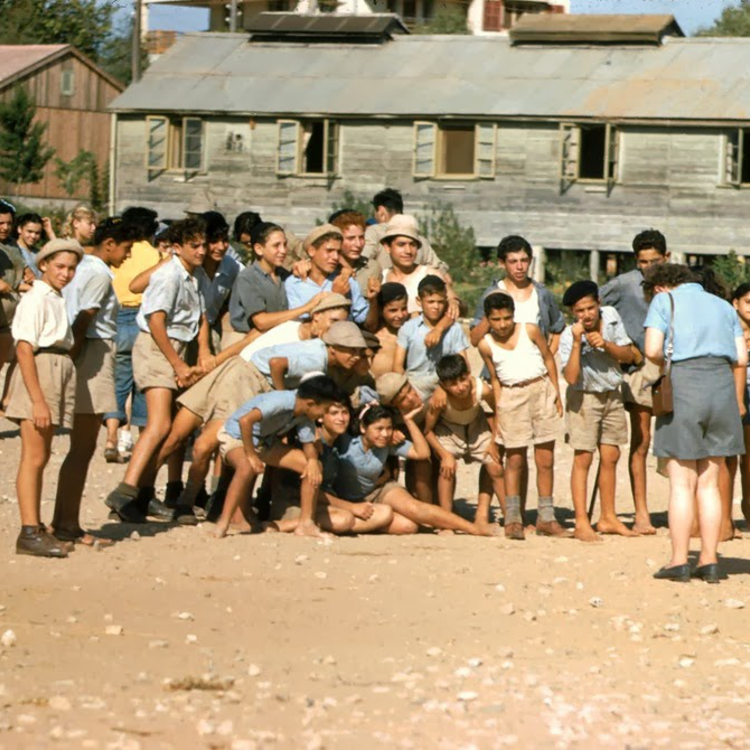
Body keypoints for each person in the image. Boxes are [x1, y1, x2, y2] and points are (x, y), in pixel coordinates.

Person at [644, 264, 746, 584]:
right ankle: (710, 560)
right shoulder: (723, 305)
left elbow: (651, 350)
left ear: (665, 285)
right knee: (709, 481)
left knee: (681, 482)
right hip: (722, 388)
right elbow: (741, 358)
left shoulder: (665, 302)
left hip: (685, 386)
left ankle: (678, 560)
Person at [105, 217, 211, 524]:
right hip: (157, 349)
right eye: (195, 246)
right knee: (159, 424)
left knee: (171, 426)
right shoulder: (169, 275)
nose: (201, 251)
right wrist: (176, 364)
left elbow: (201, 316)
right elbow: (155, 321)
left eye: (203, 244)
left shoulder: (194, 275)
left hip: (178, 348)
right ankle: (126, 491)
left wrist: (202, 351)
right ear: (177, 248)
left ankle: (141, 493)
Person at [52, 218, 141, 547]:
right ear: (110, 244)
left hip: (86, 351)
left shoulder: (84, 268)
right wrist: (72, 363)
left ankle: (65, 520)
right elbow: (84, 319)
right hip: (91, 353)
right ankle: (67, 524)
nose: (127, 256)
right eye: (126, 248)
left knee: (81, 448)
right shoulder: (100, 273)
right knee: (83, 447)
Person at [5, 239, 83, 557]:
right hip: (41, 369)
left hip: (56, 367)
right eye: (59, 266)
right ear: (44, 265)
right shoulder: (36, 298)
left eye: (71, 268)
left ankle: (36, 527)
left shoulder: (55, 297)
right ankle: (28, 531)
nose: (65, 273)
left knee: (43, 455)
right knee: (34, 456)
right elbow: (23, 347)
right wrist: (38, 400)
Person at [477, 293, 567, 540]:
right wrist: (499, 411)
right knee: (514, 459)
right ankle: (513, 517)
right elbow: (495, 379)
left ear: (513, 315)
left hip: (540, 390)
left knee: (545, 458)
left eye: (507, 318)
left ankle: (546, 517)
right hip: (510, 397)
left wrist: (556, 393)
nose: (503, 324)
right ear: (488, 319)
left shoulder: (530, 330)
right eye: (496, 319)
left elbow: (549, 358)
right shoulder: (485, 344)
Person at [333, 403, 493, 536]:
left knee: (414, 510)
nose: (385, 434)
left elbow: (422, 453)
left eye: (389, 428)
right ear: (363, 428)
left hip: (380, 490)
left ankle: (472, 528)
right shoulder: (345, 444)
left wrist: (409, 421)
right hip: (349, 500)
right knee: (406, 526)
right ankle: (382, 515)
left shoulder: (386, 443)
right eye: (379, 428)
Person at [601, 229, 670, 535]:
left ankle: (684, 510)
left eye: (654, 260)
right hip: (639, 367)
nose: (648, 267)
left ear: (666, 257)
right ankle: (641, 512)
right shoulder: (623, 284)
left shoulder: (679, 284)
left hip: (674, 367)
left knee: (679, 444)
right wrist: (617, 343)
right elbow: (591, 306)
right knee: (640, 442)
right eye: (642, 261)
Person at [214, 375, 341, 539]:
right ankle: (223, 522)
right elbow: (246, 421)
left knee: (311, 466)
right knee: (245, 467)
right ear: (311, 403)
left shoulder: (305, 413)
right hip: (237, 437)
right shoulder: (281, 401)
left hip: (264, 442)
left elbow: (308, 443)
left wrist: (312, 461)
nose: (323, 415)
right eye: (324, 410)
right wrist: (251, 455)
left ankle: (306, 523)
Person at [559, 280, 637, 543]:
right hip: (584, 398)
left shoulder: (612, 318)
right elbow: (570, 378)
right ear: (573, 312)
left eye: (590, 308)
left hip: (612, 393)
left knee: (611, 454)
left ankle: (608, 516)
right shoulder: (569, 335)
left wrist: (605, 345)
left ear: (599, 304)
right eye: (580, 311)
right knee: (583, 457)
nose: (586, 315)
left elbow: (628, 355)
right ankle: (581, 521)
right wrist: (579, 343)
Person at [266, 396, 395, 535]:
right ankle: (283, 525)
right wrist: (352, 507)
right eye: (334, 413)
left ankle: (329, 524)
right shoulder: (313, 443)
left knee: (385, 512)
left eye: (344, 413)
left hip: (327, 505)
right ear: (320, 417)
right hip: (297, 504)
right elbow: (307, 489)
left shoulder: (339, 442)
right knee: (344, 519)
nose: (341, 418)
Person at [103, 207, 161, 463]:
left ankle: (111, 438)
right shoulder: (153, 254)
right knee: (142, 383)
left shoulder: (119, 252)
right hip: (142, 317)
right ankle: (141, 440)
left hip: (116, 316)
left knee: (119, 380)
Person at [424, 354, 504, 536]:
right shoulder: (439, 400)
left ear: (468, 374)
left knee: (495, 466)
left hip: (476, 425)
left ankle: (508, 517)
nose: (460, 387)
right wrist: (444, 454)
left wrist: (493, 441)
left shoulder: (481, 389)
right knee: (447, 468)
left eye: (463, 380)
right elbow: (427, 431)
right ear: (443, 385)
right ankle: (446, 521)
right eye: (453, 384)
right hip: (449, 430)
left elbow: (496, 410)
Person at [226, 222, 325, 347]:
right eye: (276, 246)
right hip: (246, 338)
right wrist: (306, 308)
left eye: (284, 245)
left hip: (276, 335)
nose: (283, 251)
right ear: (259, 249)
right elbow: (261, 321)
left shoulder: (285, 275)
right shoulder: (248, 278)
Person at [470, 235, 565, 353]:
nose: (519, 267)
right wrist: (490, 315)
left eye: (524, 260)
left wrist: (546, 361)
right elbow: (474, 340)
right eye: (513, 261)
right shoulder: (490, 294)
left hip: (534, 368)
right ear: (502, 263)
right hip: (500, 368)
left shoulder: (542, 295)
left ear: (530, 260)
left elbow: (558, 329)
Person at [394, 275, 469, 400]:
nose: (436, 307)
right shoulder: (408, 328)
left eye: (440, 302)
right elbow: (397, 366)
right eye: (431, 302)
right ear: (419, 301)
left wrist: (445, 388)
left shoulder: (454, 329)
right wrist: (408, 392)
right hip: (414, 383)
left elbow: (464, 364)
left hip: (445, 383)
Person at [285, 224, 371, 326]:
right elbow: (300, 324)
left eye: (338, 252)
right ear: (312, 251)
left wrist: (374, 301)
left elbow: (365, 320)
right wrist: (336, 296)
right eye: (329, 251)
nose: (335, 257)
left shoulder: (346, 280)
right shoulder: (295, 283)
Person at [379, 216, 457, 316]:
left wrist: (453, 302)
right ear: (387, 247)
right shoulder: (382, 277)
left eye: (412, 244)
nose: (408, 251)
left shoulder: (429, 274)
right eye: (401, 244)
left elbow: (454, 301)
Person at [364, 189, 447, 272]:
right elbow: (440, 269)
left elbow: (362, 261)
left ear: (381, 212)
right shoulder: (420, 240)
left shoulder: (374, 232)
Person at [0, 201, 28, 373]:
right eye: (1, 223)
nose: (5, 227)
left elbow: (24, 268)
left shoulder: (11, 244)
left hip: (10, 316)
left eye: (9, 223)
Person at [732, 281, 750, 529]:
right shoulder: (727, 329)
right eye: (748, 302)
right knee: (726, 457)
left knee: (748, 459)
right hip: (731, 394)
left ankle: (748, 506)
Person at [330, 211, 382, 290]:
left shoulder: (372, 268)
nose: (358, 244)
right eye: (351, 238)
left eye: (361, 237)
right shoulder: (327, 266)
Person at [369, 282, 409, 378]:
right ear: (380, 310)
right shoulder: (374, 334)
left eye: (404, 309)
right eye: (393, 310)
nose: (400, 315)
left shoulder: (411, 329)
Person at [15, 213, 44, 280]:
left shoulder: (39, 253)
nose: (33, 236)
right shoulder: (13, 250)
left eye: (37, 233)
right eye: (29, 231)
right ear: (19, 229)